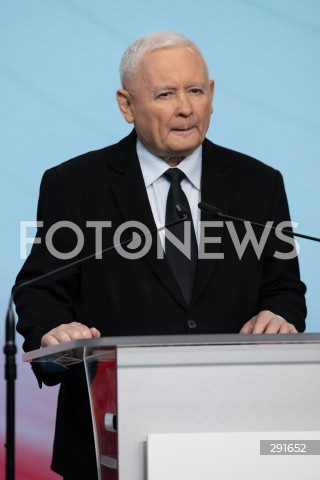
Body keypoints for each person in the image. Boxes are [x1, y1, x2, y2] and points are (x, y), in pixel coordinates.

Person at [14, 31, 306, 479]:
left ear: (212, 95)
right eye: (166, 94)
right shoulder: (73, 185)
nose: (186, 108)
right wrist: (55, 329)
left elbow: (285, 289)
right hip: (108, 438)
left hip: (238, 434)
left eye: (195, 91)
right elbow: (38, 292)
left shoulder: (259, 183)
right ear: (127, 105)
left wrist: (278, 314)